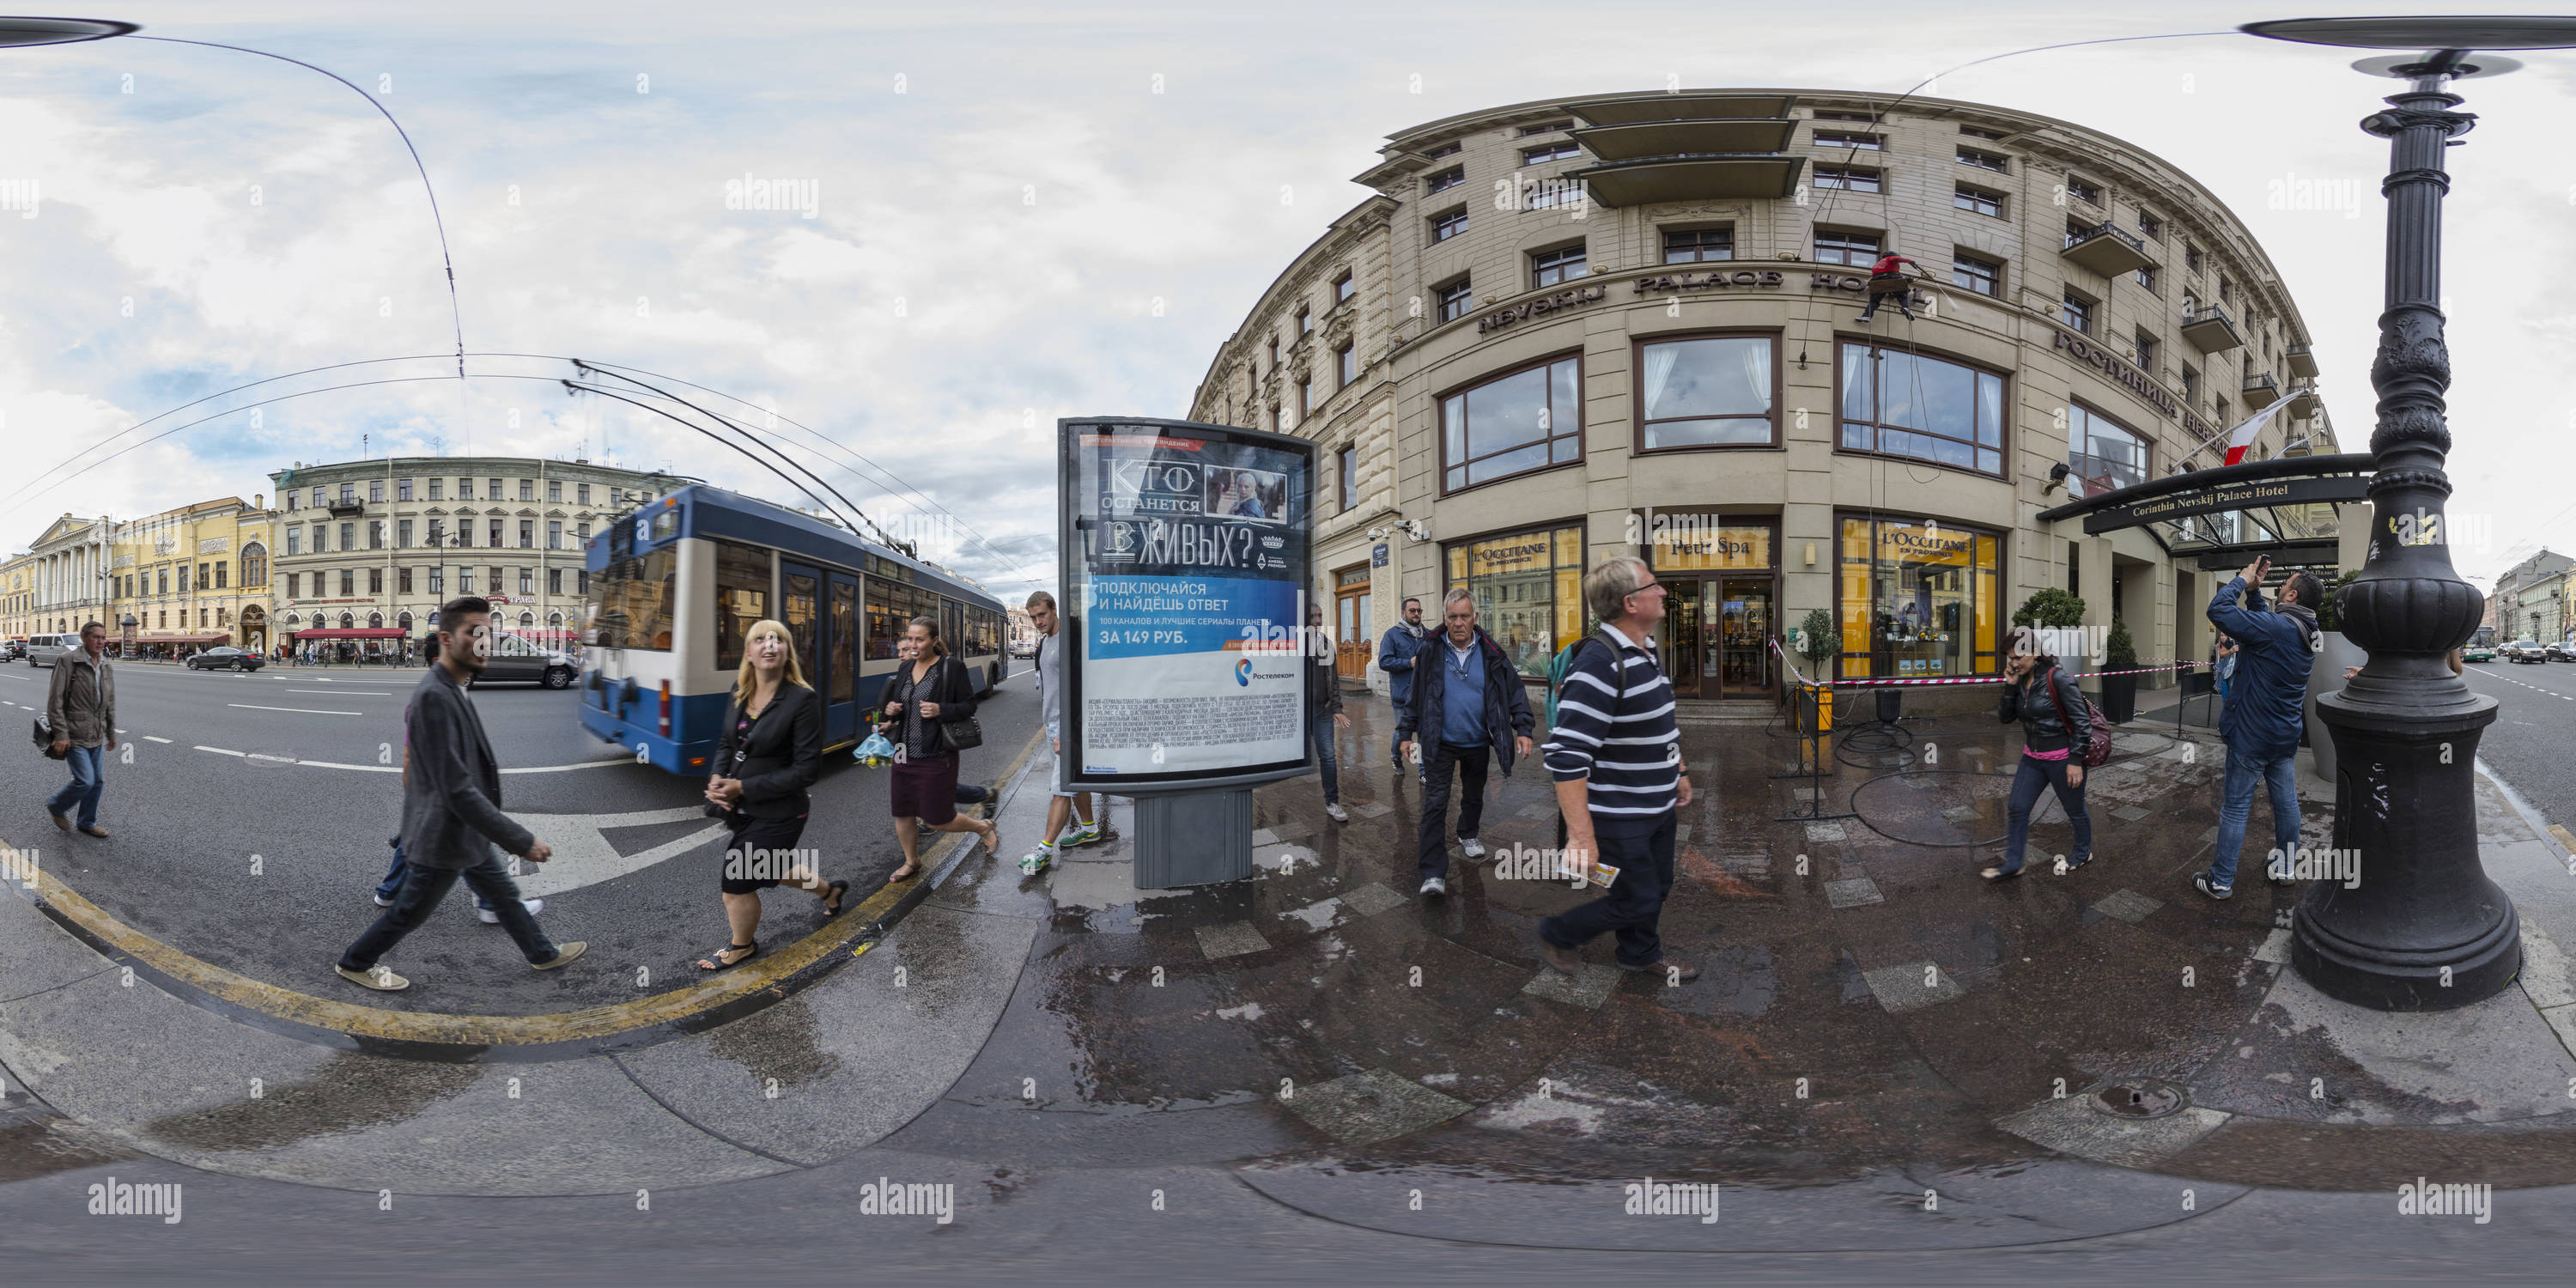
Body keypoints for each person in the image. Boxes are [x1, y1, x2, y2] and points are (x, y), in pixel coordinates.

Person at [334, 596, 583, 991]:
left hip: (464, 832)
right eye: (474, 633)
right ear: (447, 639)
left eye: (488, 633)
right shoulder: (434, 696)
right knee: (408, 913)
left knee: (502, 895)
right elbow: (455, 789)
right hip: (443, 836)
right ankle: (356, 962)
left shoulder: (453, 686)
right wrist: (521, 841)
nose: (484, 642)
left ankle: (542, 953)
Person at [1536, 558, 1699, 981]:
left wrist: (1677, 769)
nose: (1663, 592)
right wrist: (1581, 836)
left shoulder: (1645, 648)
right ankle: (1558, 933)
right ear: (1631, 602)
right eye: (1654, 585)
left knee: (1656, 888)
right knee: (1636, 897)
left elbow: (1659, 719)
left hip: (1657, 808)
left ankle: (1638, 952)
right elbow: (1567, 755)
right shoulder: (1598, 664)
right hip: (1619, 815)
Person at [696, 619, 848, 971]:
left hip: (780, 812)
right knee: (770, 868)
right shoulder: (740, 690)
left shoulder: (802, 699)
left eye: (778, 639)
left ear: (787, 652)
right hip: (741, 808)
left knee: (735, 885)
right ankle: (830, 891)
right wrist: (718, 777)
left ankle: (742, 946)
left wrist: (743, 786)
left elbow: (807, 770)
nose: (770, 644)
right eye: (760, 639)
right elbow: (726, 742)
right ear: (748, 652)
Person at [1396, 589, 1534, 897]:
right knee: (1435, 804)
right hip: (1439, 742)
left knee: (1473, 795)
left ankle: (1468, 833)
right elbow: (1415, 695)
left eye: (1464, 616)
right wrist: (1405, 733)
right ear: (1445, 619)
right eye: (1452, 616)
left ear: (1475, 618)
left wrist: (1523, 728)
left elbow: (1515, 692)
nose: (1458, 622)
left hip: (1476, 741)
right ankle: (1432, 872)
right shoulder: (1430, 649)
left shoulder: (1492, 652)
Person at [2198, 556, 2320, 900]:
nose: (2280, 588)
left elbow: (2219, 611)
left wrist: (2240, 581)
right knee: (2286, 805)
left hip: (2252, 734)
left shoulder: (2278, 628)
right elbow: (2262, 627)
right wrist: (2255, 592)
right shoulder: (2307, 629)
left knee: (2236, 808)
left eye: (2285, 586)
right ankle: (2284, 868)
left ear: (2293, 596)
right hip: (2284, 736)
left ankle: (2220, 881)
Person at [882, 614, 1000, 882]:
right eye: (910, 638)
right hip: (902, 753)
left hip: (936, 754)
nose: (913, 644)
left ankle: (982, 827)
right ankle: (912, 862)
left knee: (936, 818)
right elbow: (896, 706)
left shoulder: (950, 667)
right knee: (902, 812)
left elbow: (969, 706)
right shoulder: (905, 668)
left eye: (919, 639)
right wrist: (889, 712)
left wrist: (940, 709)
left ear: (934, 641)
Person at [1982, 626, 2094, 881]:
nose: (2013, 663)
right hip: (2032, 757)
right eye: (2010, 658)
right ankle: (2013, 863)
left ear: (2034, 652)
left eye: (2017, 657)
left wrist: (2075, 760)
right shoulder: (2020, 681)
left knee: (2074, 810)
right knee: (2017, 807)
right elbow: (2005, 718)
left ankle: (2082, 852)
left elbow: (2082, 722)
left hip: (2062, 758)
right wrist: (2010, 687)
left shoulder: (2059, 679)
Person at [1018, 590, 1100, 877]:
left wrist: (1068, 729)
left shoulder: (1069, 639)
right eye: (1033, 617)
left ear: (1054, 610)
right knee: (1072, 780)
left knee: (1060, 789)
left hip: (1067, 724)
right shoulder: (1046, 642)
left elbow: (1079, 686)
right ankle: (1089, 829)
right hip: (1054, 724)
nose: (1038, 621)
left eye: (1042, 614)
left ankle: (1044, 849)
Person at [43, 622, 115, 839]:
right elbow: (55, 700)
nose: (101, 642)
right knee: (85, 780)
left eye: (104, 638)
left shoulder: (105, 664)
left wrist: (111, 732)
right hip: (73, 733)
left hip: (96, 733)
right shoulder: (68, 661)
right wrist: (61, 734)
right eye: (97, 637)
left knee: (98, 781)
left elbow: (109, 700)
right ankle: (56, 805)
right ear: (84, 637)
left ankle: (86, 822)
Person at [1304, 603, 1351, 823]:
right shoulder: (1295, 644)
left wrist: (1337, 708)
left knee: (1329, 757)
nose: (1317, 619)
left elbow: (1333, 680)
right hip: (1301, 712)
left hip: (1322, 711)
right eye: (1313, 616)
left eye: (1320, 615)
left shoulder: (1326, 644)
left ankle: (1332, 802)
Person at [1377, 597, 1431, 781]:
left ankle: (1421, 771)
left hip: (1424, 694)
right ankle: (1395, 755)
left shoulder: (1428, 635)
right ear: (1403, 613)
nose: (1417, 614)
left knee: (1423, 732)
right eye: (1412, 611)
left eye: (1419, 611)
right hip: (1403, 695)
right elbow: (1384, 661)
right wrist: (1408, 663)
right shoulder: (1392, 635)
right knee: (1402, 732)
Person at [1854, 250, 1923, 322]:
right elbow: (1897, 259)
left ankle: (1866, 316)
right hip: (1891, 278)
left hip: (1877, 281)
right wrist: (1910, 261)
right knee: (1902, 295)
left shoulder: (1878, 264)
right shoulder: (1890, 259)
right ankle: (1906, 308)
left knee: (1874, 301)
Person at [2215, 633, 2238, 701]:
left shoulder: (2232, 643)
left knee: (2231, 689)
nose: (2223, 637)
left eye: (2225, 635)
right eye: (2221, 635)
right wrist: (2230, 651)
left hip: (2232, 672)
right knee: (2225, 694)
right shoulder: (2219, 645)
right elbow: (2221, 654)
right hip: (2223, 673)